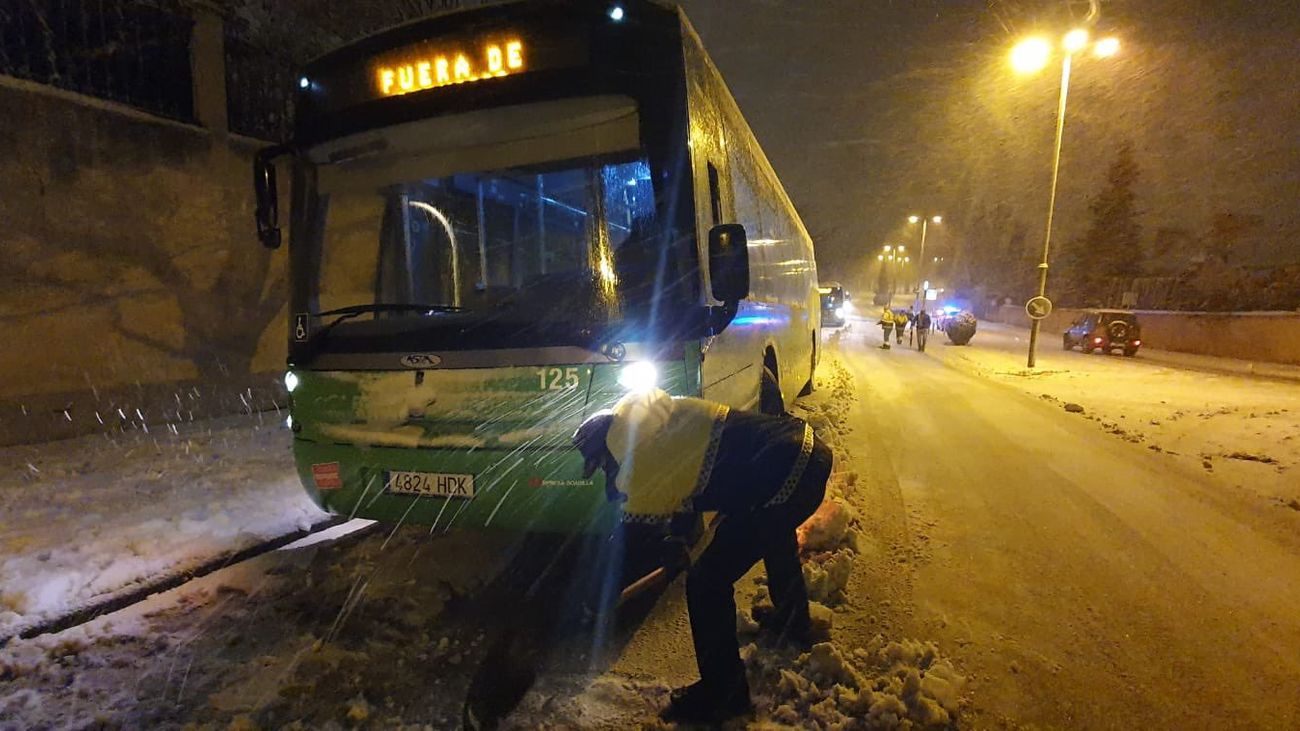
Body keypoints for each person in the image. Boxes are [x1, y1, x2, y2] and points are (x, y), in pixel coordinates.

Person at [572, 389, 832, 725]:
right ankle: (793, 619)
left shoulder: (638, 463)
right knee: (771, 527)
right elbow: (682, 487)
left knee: (707, 582)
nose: (608, 474)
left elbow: (629, 549)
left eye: (604, 465)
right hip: (805, 454)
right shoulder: (660, 423)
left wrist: (594, 603)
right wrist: (676, 540)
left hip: (784, 476)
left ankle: (724, 695)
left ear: (609, 450)